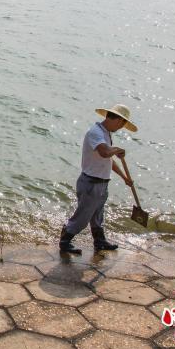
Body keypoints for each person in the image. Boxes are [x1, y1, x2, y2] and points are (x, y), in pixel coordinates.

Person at [59, 104, 137, 255]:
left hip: (101, 182)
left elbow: (108, 160)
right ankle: (65, 240)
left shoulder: (105, 134)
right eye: (122, 124)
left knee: (97, 216)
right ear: (117, 120)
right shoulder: (95, 132)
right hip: (91, 183)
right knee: (83, 216)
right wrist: (116, 150)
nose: (121, 128)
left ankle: (99, 242)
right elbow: (104, 153)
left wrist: (124, 177)